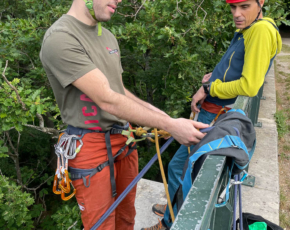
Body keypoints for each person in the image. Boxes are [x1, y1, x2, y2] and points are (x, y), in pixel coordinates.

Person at [40, 0, 209, 229]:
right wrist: (170, 125)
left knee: (127, 214)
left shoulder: (108, 36)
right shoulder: (60, 38)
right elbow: (106, 99)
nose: (119, 0)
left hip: (124, 138)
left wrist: (161, 118)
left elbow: (118, 91)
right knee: (102, 225)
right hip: (90, 144)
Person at [143, 0, 282, 229]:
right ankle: (172, 208)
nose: (237, 14)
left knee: (179, 167)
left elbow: (249, 86)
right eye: (232, 7)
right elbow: (238, 67)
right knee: (182, 167)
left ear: (261, 2)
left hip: (216, 115)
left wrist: (209, 88)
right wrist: (216, 75)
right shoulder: (251, 27)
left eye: (244, 6)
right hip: (215, 112)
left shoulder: (259, 30)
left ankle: (169, 222)